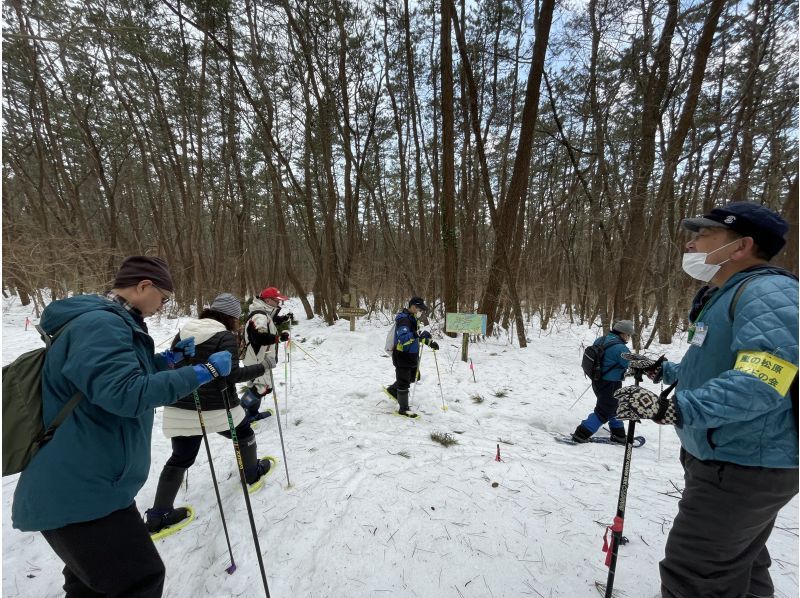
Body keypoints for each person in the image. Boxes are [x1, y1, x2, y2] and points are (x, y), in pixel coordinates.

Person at [11, 256, 232, 598]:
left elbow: (113, 379)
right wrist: (205, 373)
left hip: (95, 481)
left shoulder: (113, 321)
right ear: (144, 286)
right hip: (79, 487)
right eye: (164, 297)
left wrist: (167, 361)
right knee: (138, 580)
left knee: (91, 586)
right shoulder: (101, 324)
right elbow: (126, 394)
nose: (163, 306)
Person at [614, 201, 798, 598]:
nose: (691, 244)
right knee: (741, 564)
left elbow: (762, 382)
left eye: (703, 235)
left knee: (695, 575)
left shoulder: (768, 292)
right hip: (723, 454)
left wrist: (674, 408)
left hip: (745, 463)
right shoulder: (728, 293)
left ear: (741, 246)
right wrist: (664, 372)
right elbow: (718, 366)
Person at [145, 293, 277, 535]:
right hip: (218, 407)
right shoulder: (225, 335)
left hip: (180, 405)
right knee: (244, 431)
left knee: (181, 457)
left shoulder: (185, 330)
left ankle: (158, 515)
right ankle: (251, 473)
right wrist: (264, 366)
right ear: (232, 317)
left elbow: (173, 363)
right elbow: (232, 375)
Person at [571, 321, 634, 443]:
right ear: (623, 334)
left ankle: (619, 435)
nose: (629, 337)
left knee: (614, 408)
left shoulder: (601, 339)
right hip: (611, 383)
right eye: (628, 334)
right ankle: (581, 434)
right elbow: (631, 363)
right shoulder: (620, 348)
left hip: (598, 380)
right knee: (604, 412)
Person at [385, 297, 439, 418]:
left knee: (415, 376)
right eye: (420, 309)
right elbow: (403, 338)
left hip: (412, 355)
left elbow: (415, 337)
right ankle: (403, 410)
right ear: (413, 306)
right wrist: (418, 334)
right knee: (404, 382)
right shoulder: (404, 320)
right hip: (403, 355)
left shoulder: (413, 318)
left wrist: (429, 342)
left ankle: (393, 390)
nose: (421, 311)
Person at [240, 286, 286, 422]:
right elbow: (258, 337)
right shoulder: (259, 315)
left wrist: (281, 319)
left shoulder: (262, 313)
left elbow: (269, 322)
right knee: (262, 387)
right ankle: (241, 414)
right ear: (267, 300)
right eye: (276, 300)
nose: (279, 303)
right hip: (257, 358)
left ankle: (252, 414)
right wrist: (277, 338)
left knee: (257, 386)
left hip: (259, 357)